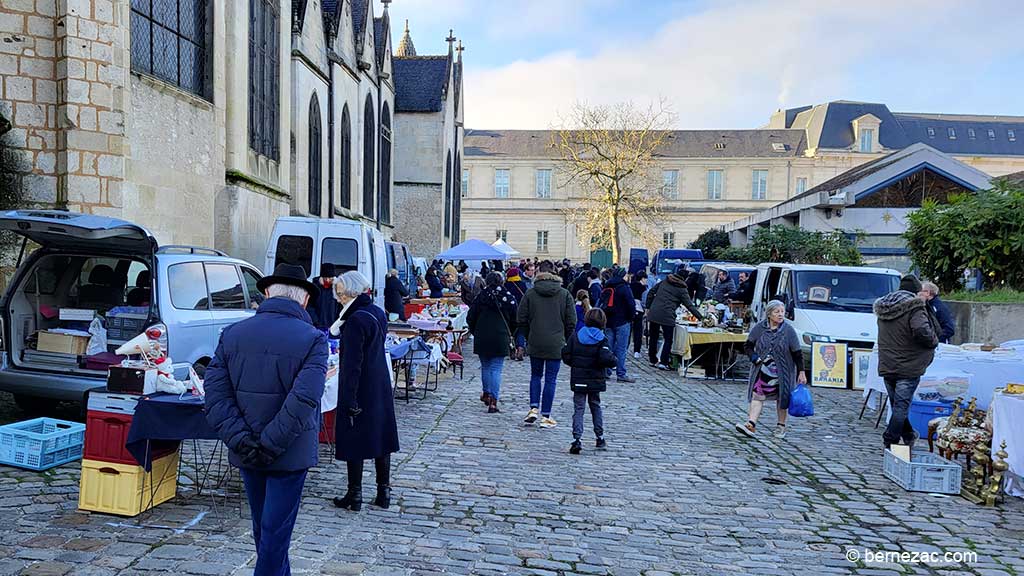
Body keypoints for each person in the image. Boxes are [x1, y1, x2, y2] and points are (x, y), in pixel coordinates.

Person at [204, 263, 327, 576]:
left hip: (252, 448)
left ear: (268, 294)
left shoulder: (233, 334)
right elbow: (304, 400)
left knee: (267, 531)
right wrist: (267, 444)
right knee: (272, 534)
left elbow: (216, 397)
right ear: (304, 301)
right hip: (286, 451)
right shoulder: (312, 339)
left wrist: (245, 441)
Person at [329, 271, 400, 512]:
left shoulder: (356, 320)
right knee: (381, 437)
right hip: (379, 382)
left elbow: (352, 365)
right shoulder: (376, 312)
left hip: (361, 385)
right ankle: (384, 491)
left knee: (355, 438)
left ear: (350, 292)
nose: (338, 298)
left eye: (339, 294)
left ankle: (355, 493)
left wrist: (348, 397)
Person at [874, 274, 940, 450]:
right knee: (901, 407)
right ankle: (890, 439)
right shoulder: (914, 307)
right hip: (909, 365)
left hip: (887, 363)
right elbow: (921, 329)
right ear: (916, 291)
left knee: (897, 405)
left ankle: (909, 435)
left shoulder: (885, 307)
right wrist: (933, 341)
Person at [517, 261, 576, 428]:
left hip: (536, 340)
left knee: (535, 376)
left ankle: (534, 408)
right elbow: (572, 320)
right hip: (556, 342)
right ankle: (546, 415)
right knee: (551, 379)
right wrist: (563, 337)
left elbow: (521, 318)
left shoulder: (531, 293)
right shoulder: (564, 294)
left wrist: (529, 335)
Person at [735, 300, 805, 439]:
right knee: (757, 395)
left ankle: (781, 426)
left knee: (782, 398)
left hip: (783, 372)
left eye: (782, 312)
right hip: (763, 370)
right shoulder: (760, 328)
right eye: (776, 312)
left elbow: (797, 353)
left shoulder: (788, 330)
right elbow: (748, 345)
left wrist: (801, 371)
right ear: (769, 314)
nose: (780, 315)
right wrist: (754, 357)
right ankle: (751, 424)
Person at [562, 308, 616, 454]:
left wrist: (576, 364)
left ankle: (577, 439)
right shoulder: (601, 338)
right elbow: (605, 358)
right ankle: (600, 437)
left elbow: (566, 354)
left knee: (578, 409)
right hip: (595, 379)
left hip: (579, 378)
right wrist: (613, 361)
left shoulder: (577, 335)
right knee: (595, 406)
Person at [467, 272, 518, 413]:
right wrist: (511, 334)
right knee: (496, 369)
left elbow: (470, 317)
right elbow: (515, 319)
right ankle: (493, 401)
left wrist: (475, 331)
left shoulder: (481, 296)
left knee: (485, 366)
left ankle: (486, 393)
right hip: (500, 336)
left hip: (482, 335)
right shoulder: (508, 298)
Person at [645, 265, 704, 370]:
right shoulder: (682, 289)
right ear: (685, 278)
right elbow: (689, 305)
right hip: (667, 316)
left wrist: (648, 307)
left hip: (654, 312)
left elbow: (651, 293)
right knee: (668, 339)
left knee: (653, 337)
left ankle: (652, 359)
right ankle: (663, 362)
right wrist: (701, 317)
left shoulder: (664, 281)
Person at [598, 267, 636, 383]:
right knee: (621, 348)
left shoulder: (607, 285)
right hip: (622, 321)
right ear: (622, 276)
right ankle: (621, 373)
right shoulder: (624, 287)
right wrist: (631, 317)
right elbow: (631, 304)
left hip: (608, 321)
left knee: (608, 347)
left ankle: (606, 371)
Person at [306, 263, 340, 331]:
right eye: (325, 277)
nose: (327, 280)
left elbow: (340, 307)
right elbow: (309, 306)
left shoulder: (338, 289)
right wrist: (315, 321)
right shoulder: (315, 287)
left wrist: (337, 323)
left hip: (333, 327)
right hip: (316, 326)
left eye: (330, 278)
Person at [629, 271, 648, 359]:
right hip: (639, 310)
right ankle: (637, 351)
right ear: (643, 278)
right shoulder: (643, 288)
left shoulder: (630, 286)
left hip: (630, 310)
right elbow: (644, 302)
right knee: (638, 332)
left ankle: (625, 348)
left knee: (628, 331)